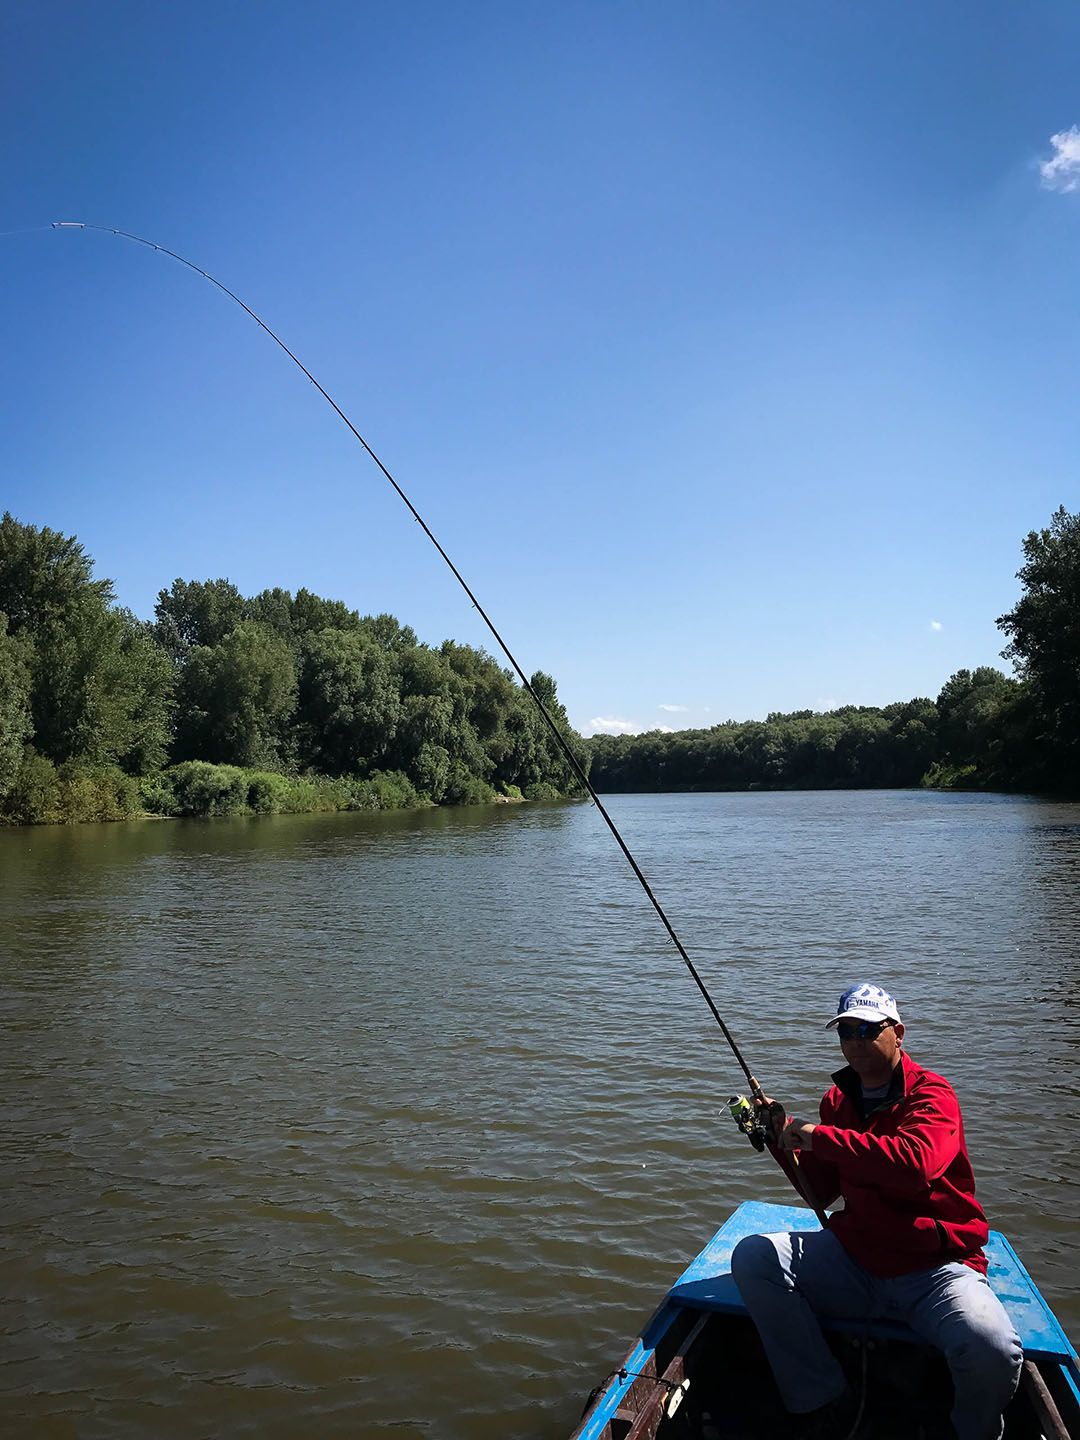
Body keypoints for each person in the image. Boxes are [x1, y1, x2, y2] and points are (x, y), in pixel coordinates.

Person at [730, 981, 1023, 1440]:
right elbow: (821, 1193)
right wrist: (780, 1140)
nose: (856, 1042)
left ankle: (972, 1431)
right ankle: (823, 1398)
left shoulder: (934, 1096)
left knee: (993, 1346)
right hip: (858, 1257)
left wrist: (814, 1136)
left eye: (869, 1030)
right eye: (847, 1032)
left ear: (898, 1033)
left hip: (934, 1269)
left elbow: (913, 1165)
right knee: (754, 1258)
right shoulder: (838, 1102)